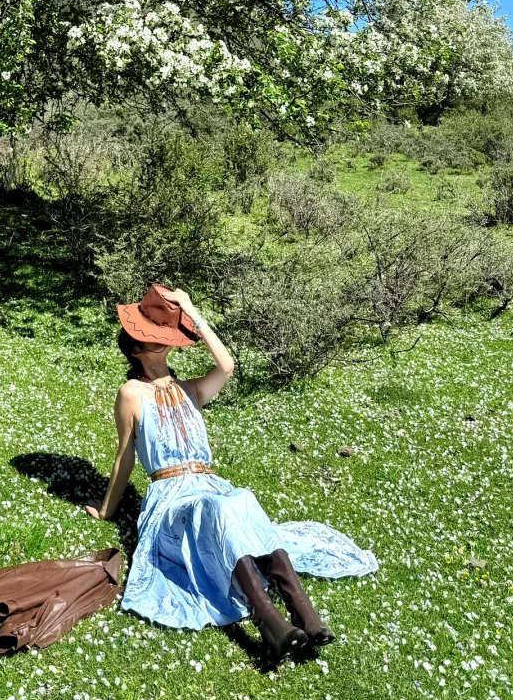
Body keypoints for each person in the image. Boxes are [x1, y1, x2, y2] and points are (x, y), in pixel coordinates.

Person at [86, 284, 377, 665]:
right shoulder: (131, 393)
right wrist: (109, 508)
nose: (166, 346)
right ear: (136, 350)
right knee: (219, 510)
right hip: (171, 497)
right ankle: (270, 621)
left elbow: (227, 365)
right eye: (155, 342)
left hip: (209, 484)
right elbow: (125, 456)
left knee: (239, 499)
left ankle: (301, 612)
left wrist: (192, 312)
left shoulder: (190, 389)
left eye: (167, 340)